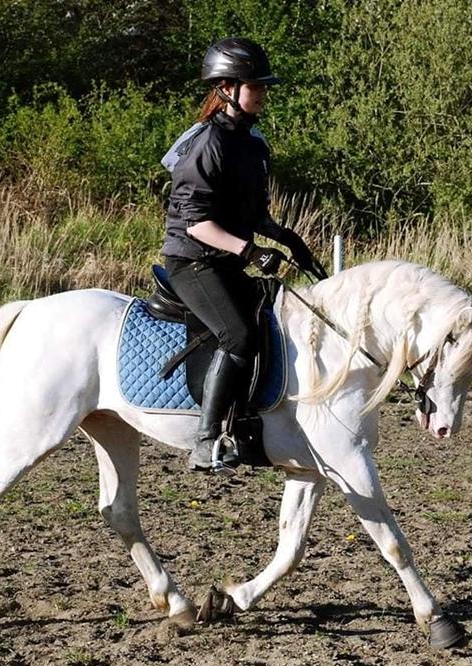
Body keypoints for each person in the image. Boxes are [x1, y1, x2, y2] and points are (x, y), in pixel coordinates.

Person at [160, 37, 319, 471]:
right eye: (256, 85)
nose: (263, 93)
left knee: (274, 320)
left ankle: (249, 424)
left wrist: (287, 239)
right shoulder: (206, 143)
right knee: (239, 337)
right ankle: (206, 438)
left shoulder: (252, 144)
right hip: (193, 261)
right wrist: (251, 252)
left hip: (227, 258)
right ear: (227, 87)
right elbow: (196, 222)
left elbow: (256, 215)